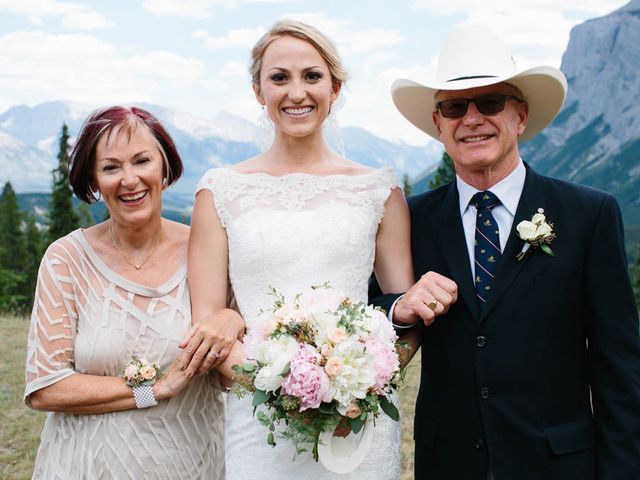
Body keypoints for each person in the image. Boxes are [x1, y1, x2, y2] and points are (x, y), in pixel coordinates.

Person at [182, 19, 456, 480]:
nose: (296, 92)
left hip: (356, 426)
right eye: (279, 78)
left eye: (312, 76)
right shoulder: (221, 192)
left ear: (335, 87)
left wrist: (356, 389)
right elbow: (208, 325)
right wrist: (288, 394)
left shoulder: (378, 189)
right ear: (258, 90)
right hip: (261, 424)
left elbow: (403, 318)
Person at [375, 23, 640, 479]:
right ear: (438, 124)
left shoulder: (588, 214)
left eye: (490, 102)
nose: (472, 118)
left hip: (560, 467)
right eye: (455, 106)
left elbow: (619, 368)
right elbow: (362, 314)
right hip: (449, 464)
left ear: (520, 115)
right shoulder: (408, 219)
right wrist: (400, 307)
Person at [24, 106, 237, 479]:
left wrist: (233, 318)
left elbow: (235, 372)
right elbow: (46, 388)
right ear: (93, 180)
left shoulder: (208, 250)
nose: (129, 179)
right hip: (87, 466)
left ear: (164, 167)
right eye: (111, 168)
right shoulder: (66, 260)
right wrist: (154, 388)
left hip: (192, 462)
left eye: (142, 161)